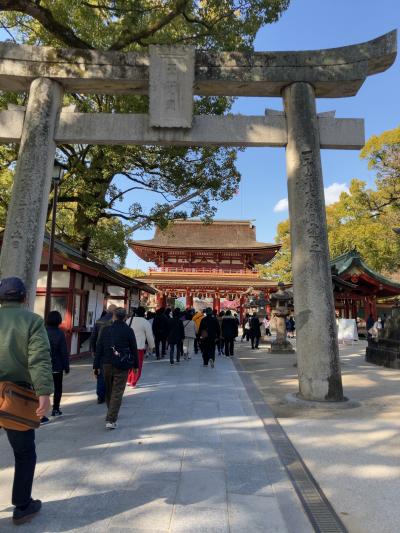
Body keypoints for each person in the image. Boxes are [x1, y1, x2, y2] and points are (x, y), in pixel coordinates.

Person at [0, 277, 53, 525]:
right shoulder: (32, 321)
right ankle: (22, 505)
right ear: (24, 297)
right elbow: (39, 359)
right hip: (16, 397)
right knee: (24, 453)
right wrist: (44, 392)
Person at [93, 307, 138, 429]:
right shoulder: (128, 330)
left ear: (114, 316)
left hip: (106, 363)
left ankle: (111, 413)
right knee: (117, 391)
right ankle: (111, 418)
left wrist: (96, 366)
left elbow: (99, 348)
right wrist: (136, 365)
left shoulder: (105, 329)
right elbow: (133, 348)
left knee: (109, 390)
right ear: (125, 317)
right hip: (122, 364)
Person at [44, 310, 70, 420]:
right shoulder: (60, 333)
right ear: (59, 320)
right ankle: (55, 409)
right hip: (57, 366)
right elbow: (64, 352)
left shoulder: (42, 331)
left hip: (44, 365)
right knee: (58, 388)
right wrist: (66, 366)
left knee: (43, 389)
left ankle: (41, 412)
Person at [89, 304, 117, 404]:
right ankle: (110, 394)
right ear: (115, 312)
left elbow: (93, 337)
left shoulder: (98, 321)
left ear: (107, 310)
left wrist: (93, 349)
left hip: (100, 350)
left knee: (101, 374)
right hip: (113, 351)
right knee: (113, 374)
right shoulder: (115, 322)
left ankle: (100, 396)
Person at [127, 306, 154, 387]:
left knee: (128, 362)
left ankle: (128, 379)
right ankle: (133, 381)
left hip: (128, 346)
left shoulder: (129, 320)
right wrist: (152, 346)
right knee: (137, 364)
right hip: (139, 346)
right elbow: (149, 335)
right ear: (144, 313)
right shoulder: (145, 322)